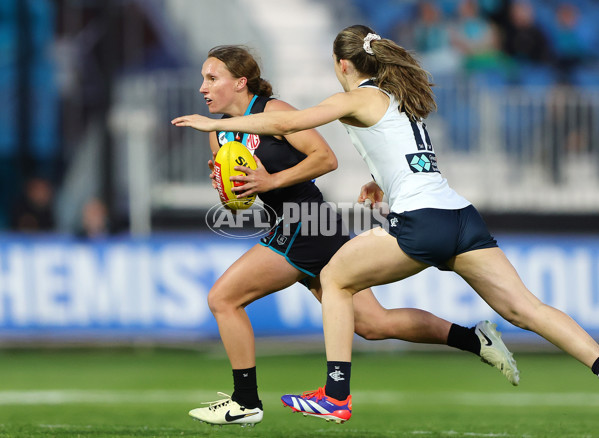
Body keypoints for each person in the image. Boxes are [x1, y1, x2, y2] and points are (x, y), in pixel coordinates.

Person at [171, 26, 599, 424]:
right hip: (460, 216)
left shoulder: (360, 96)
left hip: (419, 220)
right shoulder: (397, 97)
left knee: (336, 277)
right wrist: (379, 183)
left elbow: (287, 124)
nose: (204, 88)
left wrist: (212, 124)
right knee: (526, 310)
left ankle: (334, 396)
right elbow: (408, 155)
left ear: (343, 65)